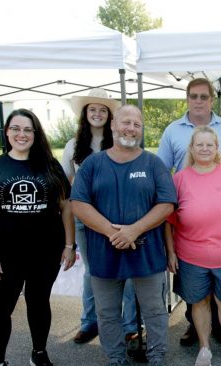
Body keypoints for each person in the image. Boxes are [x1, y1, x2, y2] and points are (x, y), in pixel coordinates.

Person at [0, 109, 75, 366]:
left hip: (45, 253)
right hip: (4, 256)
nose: (21, 134)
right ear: (7, 132)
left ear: (36, 134)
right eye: (16, 128)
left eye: (28, 130)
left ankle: (39, 352)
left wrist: (69, 245)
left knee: (39, 303)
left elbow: (66, 209)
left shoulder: (50, 166)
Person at [71, 105, 177, 366]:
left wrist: (134, 230)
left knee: (154, 308)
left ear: (142, 130)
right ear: (114, 126)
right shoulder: (93, 164)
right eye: (125, 122)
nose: (131, 128)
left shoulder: (153, 164)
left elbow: (166, 204)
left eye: (137, 124)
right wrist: (111, 232)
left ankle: (156, 358)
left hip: (146, 250)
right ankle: (115, 359)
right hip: (104, 252)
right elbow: (78, 204)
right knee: (107, 311)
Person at [157, 77, 221, 348]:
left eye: (203, 96)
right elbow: (162, 172)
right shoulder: (172, 130)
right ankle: (194, 328)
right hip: (187, 219)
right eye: (193, 96)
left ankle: (219, 328)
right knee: (194, 285)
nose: (198, 101)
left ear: (211, 99)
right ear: (187, 98)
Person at [164, 126, 221, 366]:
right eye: (199, 144)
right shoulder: (179, 179)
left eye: (210, 145)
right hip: (191, 257)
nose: (205, 149)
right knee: (199, 302)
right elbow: (168, 221)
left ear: (217, 149)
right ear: (191, 149)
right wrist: (171, 253)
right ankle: (204, 348)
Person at [61, 88, 138, 345]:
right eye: (92, 109)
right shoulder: (73, 146)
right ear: (85, 114)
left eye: (102, 110)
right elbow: (69, 186)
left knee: (125, 271)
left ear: (110, 116)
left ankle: (129, 324)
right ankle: (89, 322)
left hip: (116, 217)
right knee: (92, 271)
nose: (97, 114)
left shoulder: (117, 143)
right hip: (85, 217)